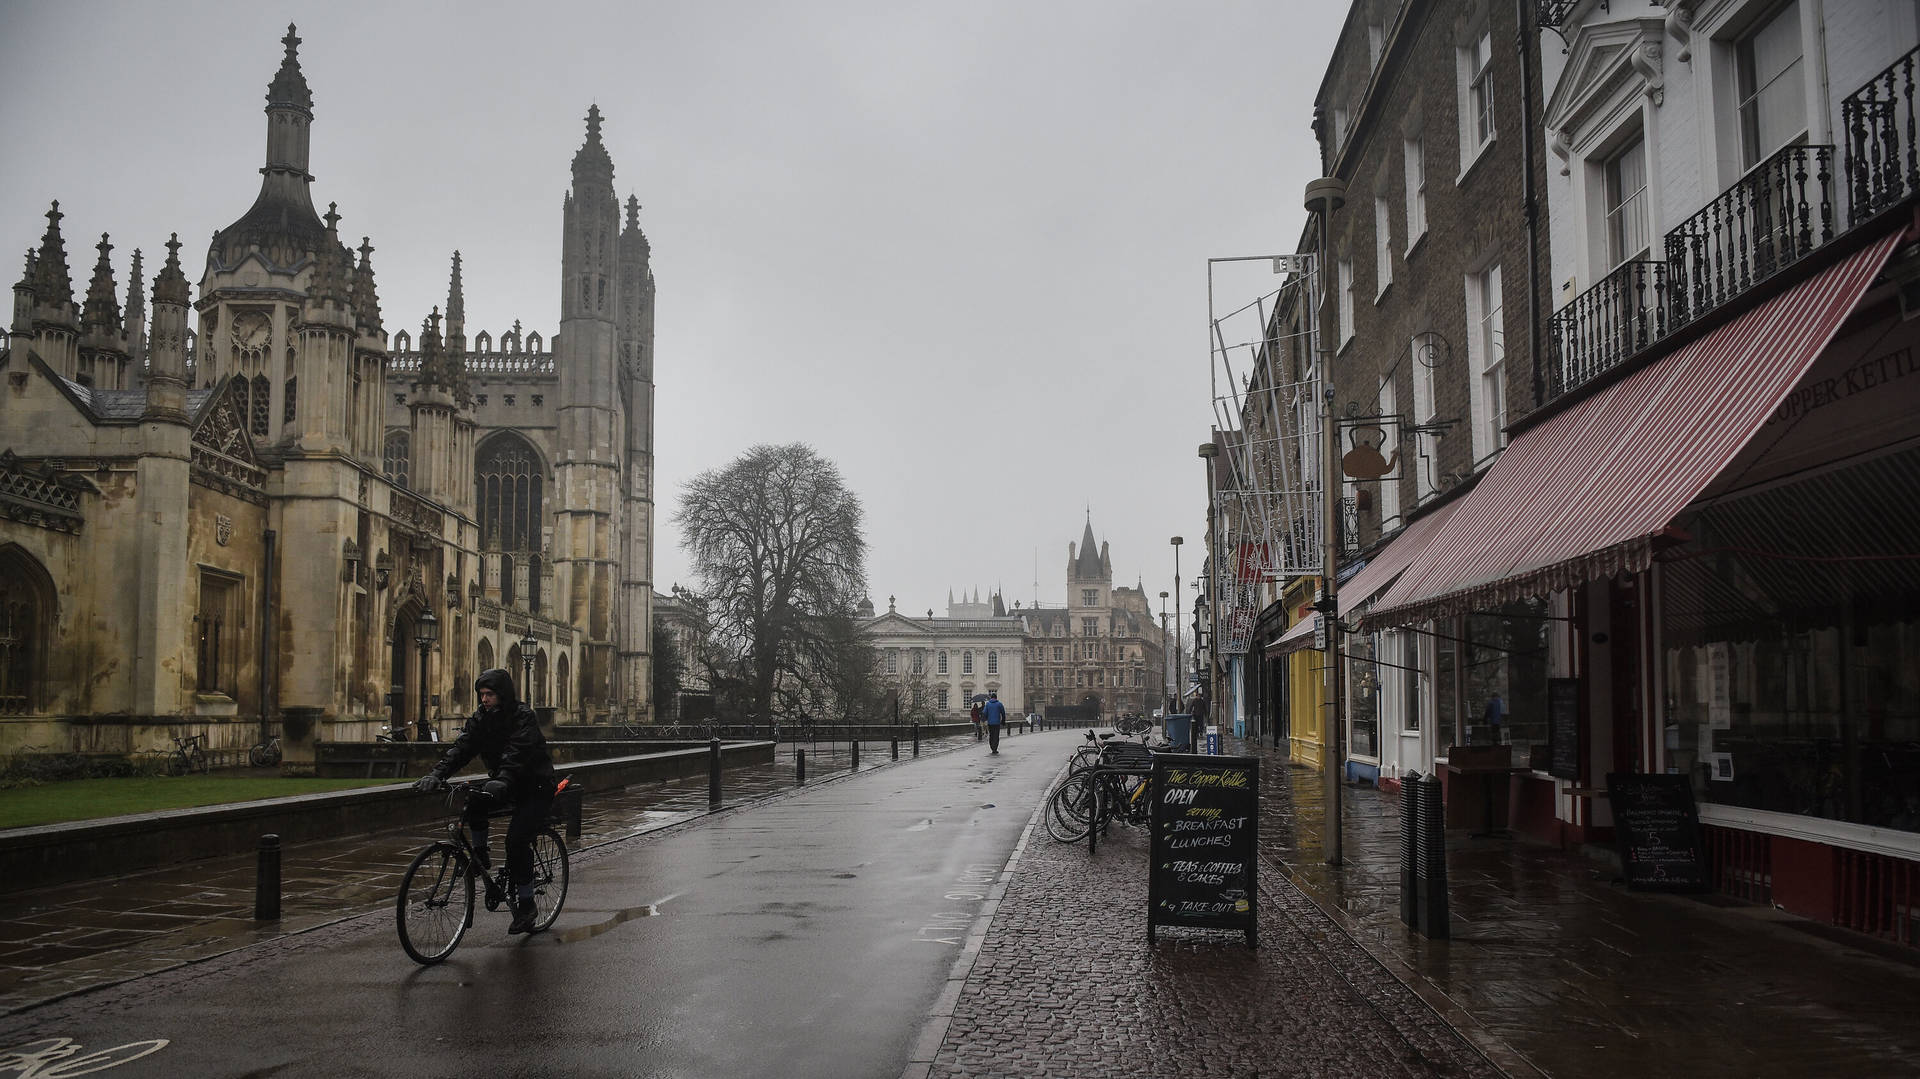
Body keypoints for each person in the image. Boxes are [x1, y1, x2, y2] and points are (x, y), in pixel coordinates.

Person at [412, 668, 557, 935]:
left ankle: (527, 905)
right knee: (473, 802)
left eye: (490, 694)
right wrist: (436, 774)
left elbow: (517, 752)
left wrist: (502, 778)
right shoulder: (482, 718)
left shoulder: (523, 716)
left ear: (503, 694)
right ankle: (480, 856)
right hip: (505, 783)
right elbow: (462, 748)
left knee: (516, 840)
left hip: (534, 786)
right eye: (481, 695)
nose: (485, 699)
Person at [981, 690, 1007, 754]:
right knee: (996, 736)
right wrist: (1003, 721)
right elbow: (1003, 713)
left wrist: (984, 719)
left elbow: (984, 713)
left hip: (990, 723)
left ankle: (992, 747)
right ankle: (995, 748)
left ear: (991, 697)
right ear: (996, 697)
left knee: (991, 735)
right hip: (997, 723)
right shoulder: (999, 704)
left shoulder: (988, 704)